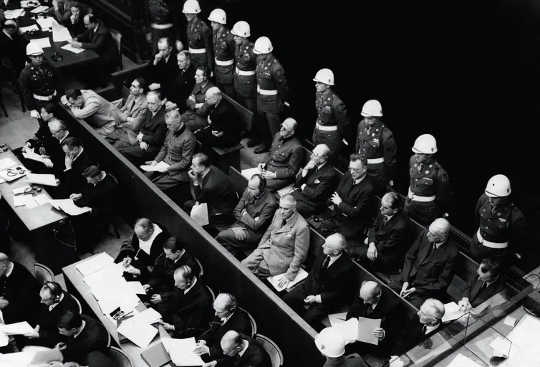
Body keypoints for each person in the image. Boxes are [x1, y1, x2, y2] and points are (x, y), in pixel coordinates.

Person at [284, 233, 356, 329]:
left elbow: (338, 293)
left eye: (326, 245)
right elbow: (314, 272)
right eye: (325, 243)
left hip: (325, 300)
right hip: (309, 288)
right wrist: (308, 290)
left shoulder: (347, 268)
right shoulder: (324, 250)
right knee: (287, 299)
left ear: (335, 252)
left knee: (306, 322)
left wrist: (316, 298)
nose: (323, 246)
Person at [242, 194, 309, 280]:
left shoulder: (302, 227)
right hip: (266, 249)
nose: (282, 211)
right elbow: (269, 231)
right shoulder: (278, 213)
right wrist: (259, 248)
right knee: (243, 265)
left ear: (293, 209)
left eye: (286, 209)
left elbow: (300, 256)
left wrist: (289, 276)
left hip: (280, 259)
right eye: (281, 207)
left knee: (252, 274)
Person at [311, 155, 376, 240]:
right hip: (337, 214)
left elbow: (355, 213)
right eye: (350, 168)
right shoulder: (348, 175)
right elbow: (336, 194)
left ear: (364, 169)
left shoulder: (368, 188)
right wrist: (346, 205)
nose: (352, 172)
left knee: (336, 241)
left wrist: (340, 203)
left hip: (351, 223)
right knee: (317, 231)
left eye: (356, 169)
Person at [396, 218, 457, 307]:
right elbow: (410, 256)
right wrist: (405, 280)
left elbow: (442, 283)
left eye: (432, 235)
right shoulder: (426, 233)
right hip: (409, 278)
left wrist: (416, 289)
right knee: (391, 288)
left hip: (425, 289)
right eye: (429, 231)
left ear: (442, 237)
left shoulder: (452, 253)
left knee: (410, 307)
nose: (427, 235)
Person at [216, 174, 277, 259]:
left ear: (261, 189)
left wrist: (244, 214)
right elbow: (236, 211)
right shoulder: (248, 190)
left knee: (221, 235)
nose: (248, 190)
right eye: (248, 187)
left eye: (252, 189)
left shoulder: (270, 203)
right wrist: (236, 228)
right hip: (239, 225)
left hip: (252, 233)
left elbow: (256, 226)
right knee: (226, 243)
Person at [471, 174, 528, 260]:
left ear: (504, 197)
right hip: (476, 245)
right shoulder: (484, 199)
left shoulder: (515, 216)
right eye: (489, 195)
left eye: (495, 198)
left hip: (495, 255)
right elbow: (476, 218)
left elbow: (516, 240)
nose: (490, 199)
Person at [250, 36, 290, 153]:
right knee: (262, 124)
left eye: (260, 54)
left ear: (267, 53)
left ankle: (277, 150)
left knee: (274, 129)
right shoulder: (259, 60)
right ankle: (265, 143)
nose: (258, 56)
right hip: (260, 98)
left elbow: (283, 88)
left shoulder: (276, 67)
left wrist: (283, 101)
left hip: (272, 101)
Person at [143, 108, 196, 193]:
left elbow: (185, 162)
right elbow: (164, 147)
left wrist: (168, 168)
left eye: (170, 124)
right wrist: (156, 161)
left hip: (177, 171)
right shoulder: (171, 130)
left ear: (178, 123)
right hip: (163, 164)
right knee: (144, 178)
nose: (167, 127)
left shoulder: (189, 138)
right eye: (167, 124)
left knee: (153, 187)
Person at [356, 192, 410, 273]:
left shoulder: (401, 226)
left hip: (388, 254)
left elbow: (387, 245)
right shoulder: (384, 211)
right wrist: (371, 244)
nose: (381, 209)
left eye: (385, 208)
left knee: (357, 252)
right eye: (381, 205)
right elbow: (373, 227)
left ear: (395, 210)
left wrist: (371, 244)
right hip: (377, 244)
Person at [405, 134, 452, 225]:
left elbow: (442, 198)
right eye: (415, 152)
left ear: (428, 155)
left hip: (426, 210)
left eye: (420, 153)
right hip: (409, 204)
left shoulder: (439, 173)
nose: (416, 155)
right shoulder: (412, 160)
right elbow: (412, 181)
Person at [156, 265, 213, 337]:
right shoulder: (184, 282)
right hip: (174, 318)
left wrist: (171, 327)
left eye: (178, 283)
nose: (175, 285)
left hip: (183, 329)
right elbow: (175, 295)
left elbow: (193, 325)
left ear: (188, 283)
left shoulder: (201, 300)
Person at [194, 293, 253, 362]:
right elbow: (212, 329)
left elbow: (231, 351)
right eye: (215, 310)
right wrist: (203, 340)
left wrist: (209, 350)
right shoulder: (221, 312)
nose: (215, 314)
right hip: (210, 346)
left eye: (219, 312)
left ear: (231, 309)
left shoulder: (241, 325)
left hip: (221, 357)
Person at [345, 281, 398, 357]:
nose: (364, 302)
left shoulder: (393, 306)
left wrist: (383, 334)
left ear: (378, 295)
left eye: (367, 300)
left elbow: (394, 329)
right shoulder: (365, 293)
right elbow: (354, 308)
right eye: (362, 298)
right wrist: (350, 323)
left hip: (374, 340)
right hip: (359, 328)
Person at [355, 100, 397, 193]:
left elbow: (389, 161)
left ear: (378, 117)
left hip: (375, 172)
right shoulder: (361, 125)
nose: (366, 121)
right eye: (365, 117)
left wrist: (389, 177)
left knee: (372, 193)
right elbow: (358, 145)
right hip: (360, 165)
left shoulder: (386, 135)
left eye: (370, 118)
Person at [116, 90, 168, 165]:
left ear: (161, 102)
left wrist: (143, 138)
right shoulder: (149, 111)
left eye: (153, 103)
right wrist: (142, 140)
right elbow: (143, 128)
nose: (150, 106)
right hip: (142, 142)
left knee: (123, 153)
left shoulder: (163, 119)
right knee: (118, 149)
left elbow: (157, 140)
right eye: (148, 103)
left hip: (152, 148)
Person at [185, 153, 237, 227]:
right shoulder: (211, 167)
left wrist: (195, 181)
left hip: (223, 211)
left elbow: (199, 200)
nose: (191, 167)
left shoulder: (210, 186)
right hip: (219, 199)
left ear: (203, 167)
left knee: (189, 207)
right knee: (188, 204)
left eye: (194, 165)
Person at [27, 281, 80, 347]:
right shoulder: (54, 295)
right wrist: (38, 326)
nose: (41, 301)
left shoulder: (67, 312)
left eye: (45, 300)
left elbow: (59, 333)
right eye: (41, 298)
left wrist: (39, 334)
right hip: (46, 325)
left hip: (57, 334)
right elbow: (43, 310)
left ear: (56, 299)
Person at [292, 144, 338, 217]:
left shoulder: (330, 174)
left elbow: (316, 195)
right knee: (284, 201)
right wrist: (306, 169)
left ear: (324, 158)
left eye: (316, 155)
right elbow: (297, 183)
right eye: (312, 153)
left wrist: (304, 187)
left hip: (312, 204)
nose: (311, 156)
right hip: (301, 196)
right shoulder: (312, 164)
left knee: (289, 207)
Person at [312, 68, 350, 155]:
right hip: (317, 133)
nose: (316, 85)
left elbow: (344, 123)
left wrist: (340, 138)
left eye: (319, 83)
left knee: (326, 159)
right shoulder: (318, 94)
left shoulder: (337, 103)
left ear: (328, 85)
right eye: (316, 82)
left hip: (330, 137)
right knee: (315, 157)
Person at [259, 118, 304, 191]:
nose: (281, 129)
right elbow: (271, 152)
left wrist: (274, 175)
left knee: (261, 186)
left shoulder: (297, 147)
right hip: (268, 169)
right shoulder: (277, 135)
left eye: (285, 128)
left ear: (292, 132)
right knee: (254, 181)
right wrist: (263, 162)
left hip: (281, 176)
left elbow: (292, 171)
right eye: (281, 126)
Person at [0, 253, 41, 324]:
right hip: (12, 308)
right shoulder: (4, 271)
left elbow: (24, 306)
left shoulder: (22, 276)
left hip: (29, 314)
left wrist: (6, 304)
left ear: (4, 266)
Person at [18, 44, 58, 116]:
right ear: (30, 57)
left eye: (40, 56)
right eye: (35, 57)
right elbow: (26, 92)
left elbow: (57, 80)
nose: (39, 59)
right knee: (45, 124)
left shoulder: (48, 65)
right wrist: (32, 108)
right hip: (40, 102)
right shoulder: (26, 72)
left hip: (54, 98)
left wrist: (61, 94)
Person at [109, 77, 148, 144]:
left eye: (134, 86)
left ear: (141, 90)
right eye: (131, 85)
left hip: (131, 133)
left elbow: (135, 125)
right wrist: (116, 114)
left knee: (114, 144)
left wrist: (124, 117)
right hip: (121, 126)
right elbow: (123, 109)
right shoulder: (131, 96)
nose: (130, 88)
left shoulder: (146, 105)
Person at [208, 8, 235, 96]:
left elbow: (236, 55)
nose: (211, 25)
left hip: (228, 72)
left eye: (214, 22)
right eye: (211, 22)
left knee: (230, 95)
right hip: (217, 70)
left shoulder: (229, 37)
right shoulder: (215, 33)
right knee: (220, 94)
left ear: (221, 23)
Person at [231, 21, 256, 111]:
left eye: (237, 36)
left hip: (248, 85)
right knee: (239, 106)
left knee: (249, 108)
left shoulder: (252, 51)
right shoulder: (238, 45)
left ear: (244, 36)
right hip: (238, 80)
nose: (234, 38)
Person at [183, 65, 215, 131]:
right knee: (177, 120)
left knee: (182, 127)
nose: (195, 77)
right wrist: (196, 105)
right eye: (195, 74)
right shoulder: (198, 84)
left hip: (202, 119)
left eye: (198, 75)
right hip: (191, 113)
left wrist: (193, 102)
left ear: (205, 77)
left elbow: (202, 112)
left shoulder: (211, 90)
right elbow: (187, 101)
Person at [183, 0, 213, 70]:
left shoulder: (204, 28)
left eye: (188, 13)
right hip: (191, 58)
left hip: (201, 60)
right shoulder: (189, 24)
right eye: (185, 13)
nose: (186, 14)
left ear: (195, 13)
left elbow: (209, 49)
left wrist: (210, 67)